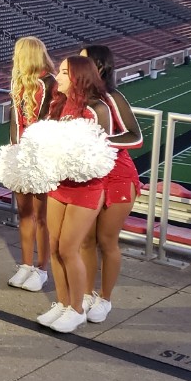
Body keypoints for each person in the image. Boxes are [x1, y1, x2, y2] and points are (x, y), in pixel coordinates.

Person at [35, 56, 112, 334]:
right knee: (55, 246)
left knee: (69, 248)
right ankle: (63, 303)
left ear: (79, 77)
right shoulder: (58, 104)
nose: (59, 76)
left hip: (86, 186)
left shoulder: (96, 108)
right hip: (59, 184)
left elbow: (103, 152)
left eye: (65, 72)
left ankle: (78, 310)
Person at [78, 45, 143, 323]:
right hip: (89, 176)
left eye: (82, 61)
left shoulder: (112, 97)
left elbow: (136, 137)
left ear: (99, 67)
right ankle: (87, 292)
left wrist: (99, 143)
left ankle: (105, 298)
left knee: (107, 241)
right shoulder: (78, 98)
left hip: (117, 176)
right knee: (85, 240)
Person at [7, 37, 56, 293]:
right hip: (22, 153)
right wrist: (15, 150)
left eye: (18, 53)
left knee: (41, 216)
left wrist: (35, 152)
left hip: (42, 154)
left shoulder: (50, 83)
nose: (14, 58)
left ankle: (42, 268)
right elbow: (15, 119)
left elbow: (48, 122)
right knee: (24, 213)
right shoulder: (17, 82)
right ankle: (25, 264)